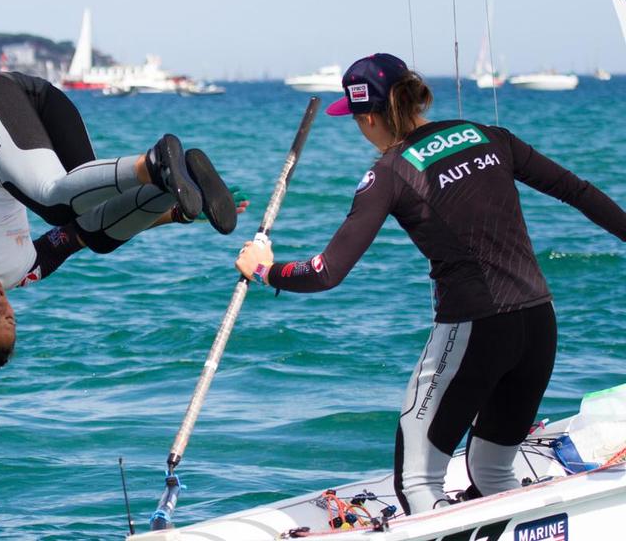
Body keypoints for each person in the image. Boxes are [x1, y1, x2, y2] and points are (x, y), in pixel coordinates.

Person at [235, 53, 626, 515]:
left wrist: (263, 269)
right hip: (540, 324)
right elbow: (577, 191)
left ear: (367, 118)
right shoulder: (488, 136)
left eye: (358, 121)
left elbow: (326, 271)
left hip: (477, 330)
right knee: (492, 470)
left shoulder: (388, 173)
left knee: (418, 479)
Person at [0, 71, 244, 380]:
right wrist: (176, 215)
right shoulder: (23, 271)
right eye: (10, 319)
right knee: (93, 231)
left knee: (55, 203)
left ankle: (154, 164)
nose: (2, 308)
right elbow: (78, 235)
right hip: (43, 106)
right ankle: (168, 186)